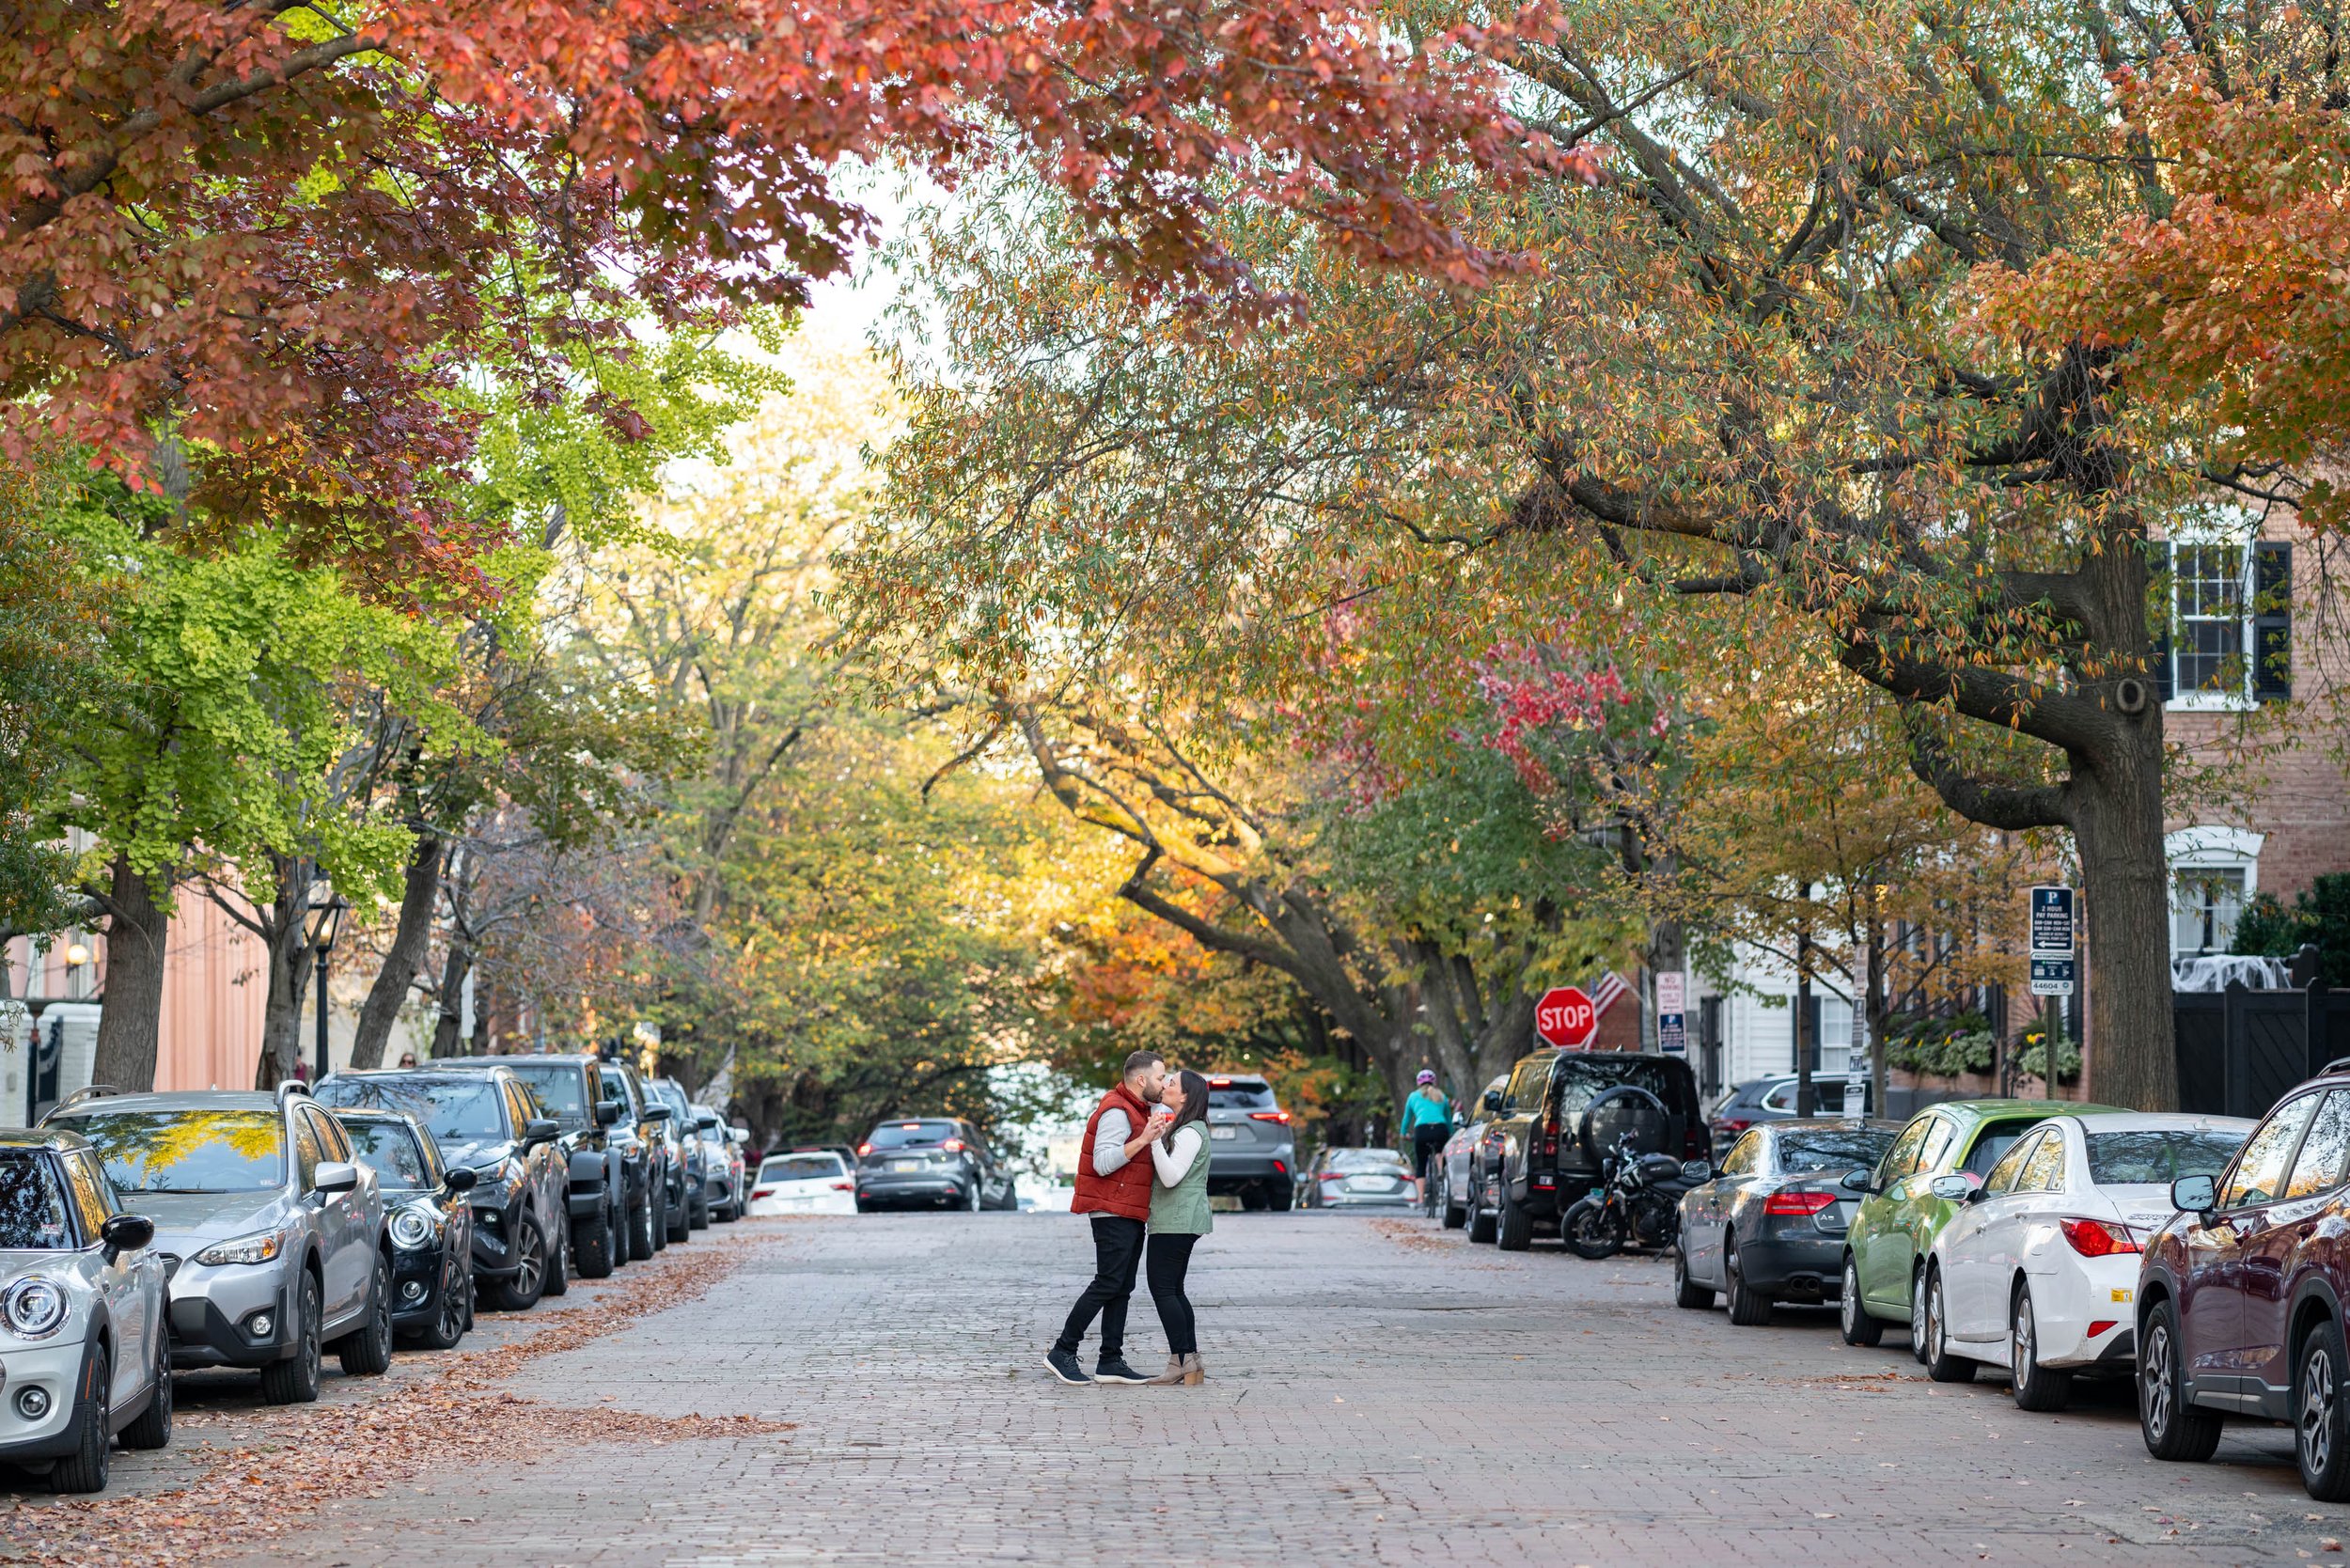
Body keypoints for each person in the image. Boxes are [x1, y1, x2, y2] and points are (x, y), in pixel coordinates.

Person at [1046, 1049, 1171, 1385]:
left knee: (1122, 1287)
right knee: (1108, 1282)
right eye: (1161, 1077)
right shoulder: (1116, 1111)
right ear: (1141, 1079)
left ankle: (1110, 1360)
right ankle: (1062, 1351)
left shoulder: (1138, 1109)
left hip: (1129, 1209)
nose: (1164, 1084)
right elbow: (1103, 1163)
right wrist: (1144, 1138)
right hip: (1111, 1209)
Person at [1143, 1069, 1212, 1387]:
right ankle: (1191, 1360)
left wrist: (1154, 1141)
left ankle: (1180, 1361)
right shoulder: (1191, 1128)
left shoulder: (1188, 1133)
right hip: (1182, 1218)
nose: (1166, 1085)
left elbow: (1171, 1177)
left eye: (1172, 1083)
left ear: (1185, 1096)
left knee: (1163, 1289)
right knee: (1175, 1290)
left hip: (1176, 1219)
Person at [1402, 1069, 1452, 1204]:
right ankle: (1441, 1169)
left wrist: (1403, 1133)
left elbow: (1407, 1118)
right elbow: (1448, 1119)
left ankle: (1420, 1199)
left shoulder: (1413, 1096)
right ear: (1434, 1082)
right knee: (1440, 1151)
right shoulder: (1442, 1096)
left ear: (1418, 1083)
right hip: (1440, 1129)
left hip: (1422, 1130)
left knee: (1421, 1164)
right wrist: (1451, 1134)